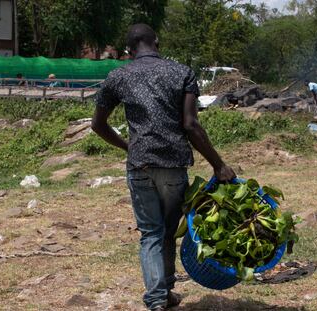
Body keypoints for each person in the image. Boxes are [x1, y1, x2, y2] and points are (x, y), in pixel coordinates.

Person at [91, 24, 236, 311]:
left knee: (150, 233)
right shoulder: (181, 72)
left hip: (140, 164)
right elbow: (191, 125)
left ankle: (158, 298)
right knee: (167, 231)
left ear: (128, 50)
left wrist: (127, 146)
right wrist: (219, 165)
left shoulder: (118, 76)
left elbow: (98, 125)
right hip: (173, 164)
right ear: (156, 42)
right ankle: (164, 292)